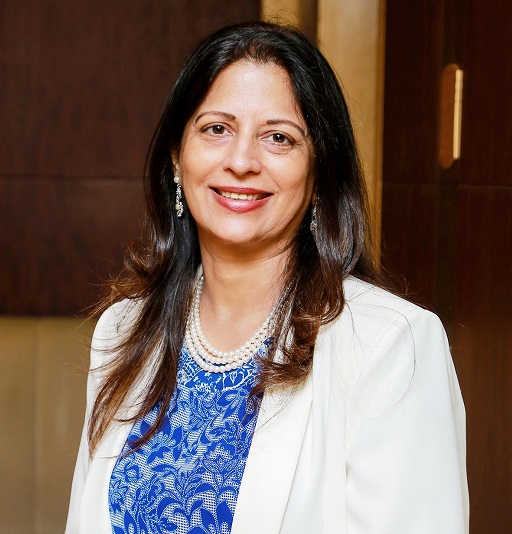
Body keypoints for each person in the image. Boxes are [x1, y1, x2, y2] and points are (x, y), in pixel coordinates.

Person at [66, 21, 468, 534]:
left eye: (279, 138)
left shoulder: (390, 346)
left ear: (319, 173)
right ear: (176, 157)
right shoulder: (124, 331)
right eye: (216, 129)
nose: (241, 162)